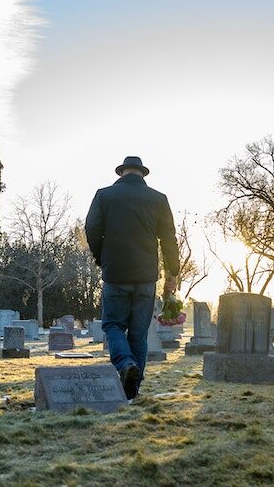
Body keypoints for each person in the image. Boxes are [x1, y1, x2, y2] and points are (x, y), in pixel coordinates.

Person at [85, 156, 179, 400]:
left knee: (113, 325)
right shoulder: (158, 199)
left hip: (115, 273)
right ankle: (132, 389)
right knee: (138, 333)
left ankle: (126, 364)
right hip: (146, 276)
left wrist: (100, 257)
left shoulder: (104, 196)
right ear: (142, 174)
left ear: (122, 173)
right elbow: (169, 239)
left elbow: (92, 229)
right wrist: (173, 273)